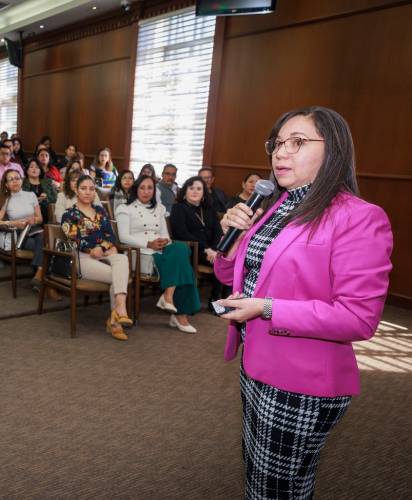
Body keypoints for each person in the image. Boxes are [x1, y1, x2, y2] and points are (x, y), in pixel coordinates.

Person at [214, 106, 393, 499]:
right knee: (273, 482)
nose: (280, 153)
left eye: (297, 143)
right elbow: (233, 279)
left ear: (334, 151)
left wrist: (266, 308)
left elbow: (358, 318)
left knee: (273, 490)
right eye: (277, 143)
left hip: (302, 381)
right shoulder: (275, 206)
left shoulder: (359, 218)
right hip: (257, 365)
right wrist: (230, 242)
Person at [116, 175, 199, 333]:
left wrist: (163, 242)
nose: (146, 192)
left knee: (180, 248)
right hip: (140, 253)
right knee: (184, 265)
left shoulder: (159, 208)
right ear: (136, 189)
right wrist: (149, 244)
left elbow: (165, 234)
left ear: (155, 190)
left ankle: (168, 296)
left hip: (161, 249)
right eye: (142, 188)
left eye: (150, 188)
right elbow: (123, 237)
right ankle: (179, 315)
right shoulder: (124, 208)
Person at [61, 175, 132, 340]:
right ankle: (116, 322)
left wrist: (102, 247)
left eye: (92, 189)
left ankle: (119, 311)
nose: (88, 192)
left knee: (122, 259)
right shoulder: (69, 215)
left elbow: (111, 235)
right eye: (83, 188)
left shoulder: (100, 211)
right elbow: (75, 239)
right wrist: (94, 249)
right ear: (76, 190)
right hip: (82, 258)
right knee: (120, 276)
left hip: (104, 254)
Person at [0, 169, 57, 299]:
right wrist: (14, 223)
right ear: (6, 184)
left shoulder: (31, 195)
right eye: (11, 179)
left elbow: (40, 218)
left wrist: (33, 219)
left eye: (17, 178)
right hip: (18, 234)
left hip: (33, 230)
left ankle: (40, 275)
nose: (15, 181)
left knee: (44, 239)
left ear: (22, 180)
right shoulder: (5, 198)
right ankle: (47, 284)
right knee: (47, 246)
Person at [169, 176, 223, 305]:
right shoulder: (179, 208)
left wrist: (215, 250)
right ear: (185, 191)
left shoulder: (209, 209)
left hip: (211, 250)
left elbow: (218, 232)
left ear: (204, 192)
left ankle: (222, 299)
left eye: (199, 189)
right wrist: (207, 249)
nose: (195, 191)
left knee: (228, 261)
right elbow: (181, 233)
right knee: (220, 262)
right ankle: (216, 300)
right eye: (191, 188)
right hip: (191, 249)